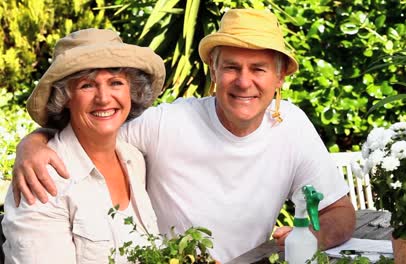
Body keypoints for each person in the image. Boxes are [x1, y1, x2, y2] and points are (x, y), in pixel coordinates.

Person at [11, 9, 356, 262]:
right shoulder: (164, 124)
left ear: (279, 78)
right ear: (214, 72)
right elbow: (90, 130)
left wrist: (306, 238)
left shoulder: (291, 126)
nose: (244, 81)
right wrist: (32, 144)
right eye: (232, 67)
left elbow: (340, 212)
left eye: (259, 69)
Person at [2, 28, 165, 263]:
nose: (104, 98)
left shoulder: (134, 158)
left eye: (116, 82)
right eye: (87, 85)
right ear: (64, 97)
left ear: (132, 90)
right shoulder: (42, 179)